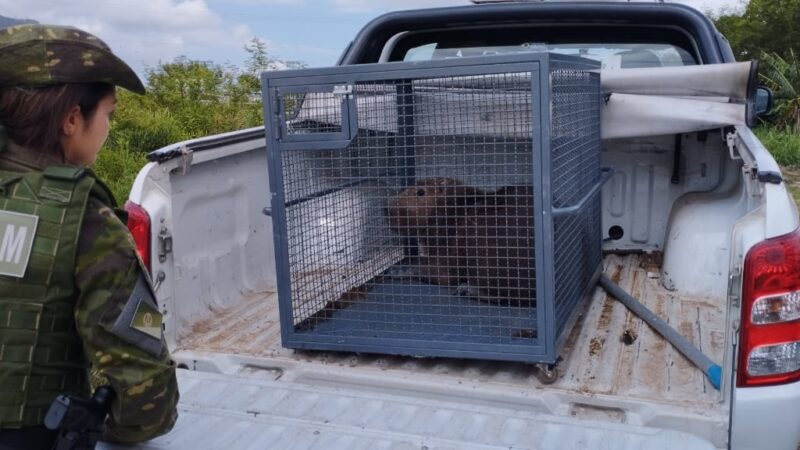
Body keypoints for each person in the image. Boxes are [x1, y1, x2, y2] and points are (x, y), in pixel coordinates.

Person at [0, 24, 179, 449]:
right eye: (108, 113)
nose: (108, 126)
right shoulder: (83, 219)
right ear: (71, 119)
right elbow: (147, 400)